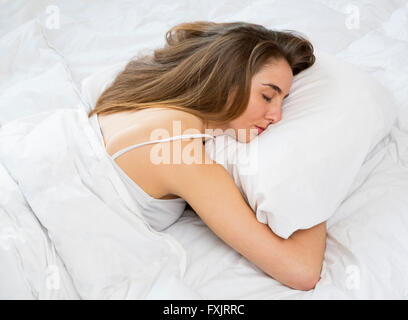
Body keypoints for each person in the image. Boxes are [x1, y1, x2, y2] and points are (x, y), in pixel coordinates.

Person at [88, 21, 326, 291]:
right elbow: (302, 271)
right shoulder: (179, 150)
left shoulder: (137, 95)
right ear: (228, 78)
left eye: (282, 102)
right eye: (267, 96)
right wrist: (318, 166)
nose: (277, 116)